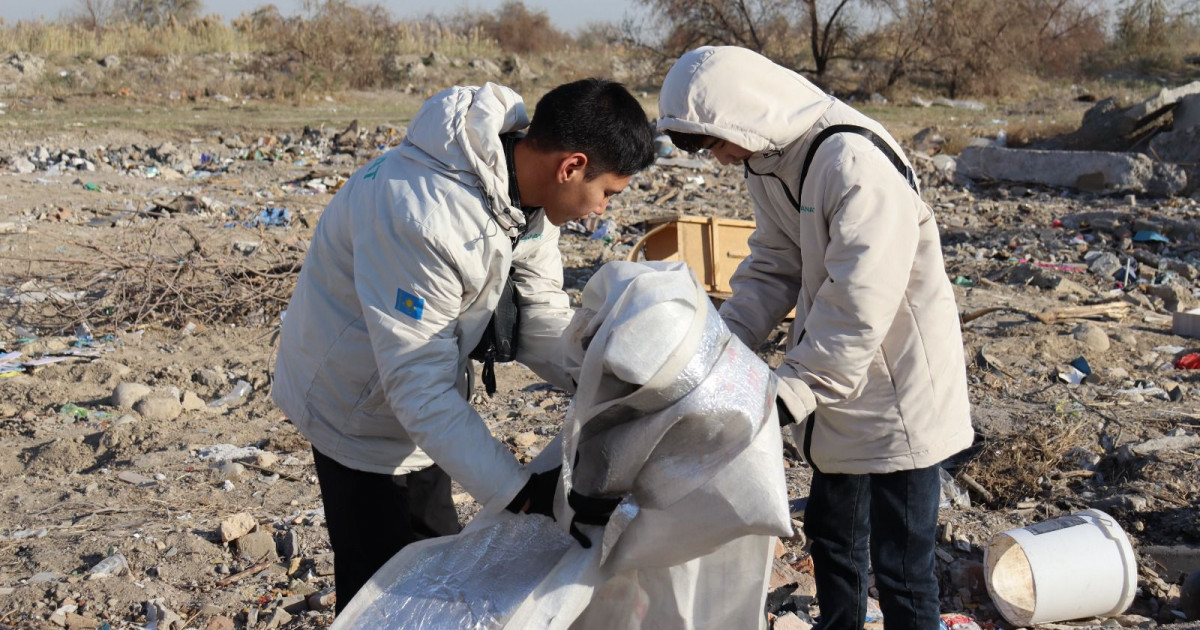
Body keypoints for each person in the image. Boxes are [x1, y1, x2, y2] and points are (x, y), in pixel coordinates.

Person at [272, 78, 656, 613]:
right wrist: (521, 493)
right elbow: (416, 389)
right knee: (382, 591)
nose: (602, 211)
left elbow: (539, 313)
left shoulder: (525, 201)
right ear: (571, 166)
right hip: (354, 409)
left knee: (434, 561)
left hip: (417, 401)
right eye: (608, 193)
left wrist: (602, 375)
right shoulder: (423, 219)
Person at [657, 46, 973, 630]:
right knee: (832, 540)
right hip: (834, 386)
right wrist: (719, 347)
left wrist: (789, 394)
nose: (723, 159)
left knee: (902, 565)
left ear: (747, 112)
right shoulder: (772, 159)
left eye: (719, 142)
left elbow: (859, 303)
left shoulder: (852, 163)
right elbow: (775, 262)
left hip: (896, 388)